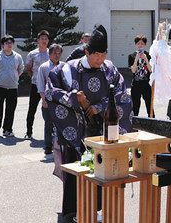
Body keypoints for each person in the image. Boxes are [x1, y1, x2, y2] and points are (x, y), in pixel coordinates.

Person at [45, 25, 132, 222]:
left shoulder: (109, 68)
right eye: (96, 56)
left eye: (103, 55)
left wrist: (100, 107)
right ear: (86, 52)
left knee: (102, 169)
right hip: (75, 129)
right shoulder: (67, 69)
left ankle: (100, 210)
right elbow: (51, 92)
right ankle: (74, 212)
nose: (100, 60)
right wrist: (74, 98)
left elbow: (122, 94)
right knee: (77, 169)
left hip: (102, 128)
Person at [149, 23, 171, 120]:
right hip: (158, 69)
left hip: (167, 70)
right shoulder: (156, 46)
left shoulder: (167, 49)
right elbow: (153, 56)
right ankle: (169, 114)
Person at [0, 35, 24, 138]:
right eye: (6, 43)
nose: (9, 45)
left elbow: (21, 69)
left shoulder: (18, 57)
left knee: (10, 110)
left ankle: (7, 130)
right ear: (3, 45)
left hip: (13, 87)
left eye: (10, 43)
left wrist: (14, 77)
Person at [37, 43, 63, 155]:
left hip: (61, 100)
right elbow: (40, 85)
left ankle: (61, 144)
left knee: (61, 122)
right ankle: (48, 146)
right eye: (54, 53)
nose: (57, 55)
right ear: (49, 54)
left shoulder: (64, 66)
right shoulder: (43, 67)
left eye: (59, 53)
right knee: (48, 123)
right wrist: (43, 99)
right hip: (48, 99)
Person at [25, 30, 50, 139]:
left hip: (49, 86)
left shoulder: (51, 53)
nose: (44, 41)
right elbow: (28, 68)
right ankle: (29, 131)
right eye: (42, 39)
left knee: (49, 109)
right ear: (38, 40)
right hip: (35, 84)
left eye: (46, 39)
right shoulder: (32, 53)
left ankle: (51, 132)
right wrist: (35, 78)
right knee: (32, 109)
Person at [127, 34, 152, 117]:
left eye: (142, 43)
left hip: (146, 83)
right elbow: (133, 70)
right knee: (135, 105)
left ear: (145, 45)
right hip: (136, 83)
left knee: (149, 104)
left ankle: (152, 122)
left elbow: (151, 70)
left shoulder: (149, 55)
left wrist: (146, 59)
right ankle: (134, 125)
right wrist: (136, 59)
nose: (140, 45)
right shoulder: (131, 56)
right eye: (138, 43)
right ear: (135, 44)